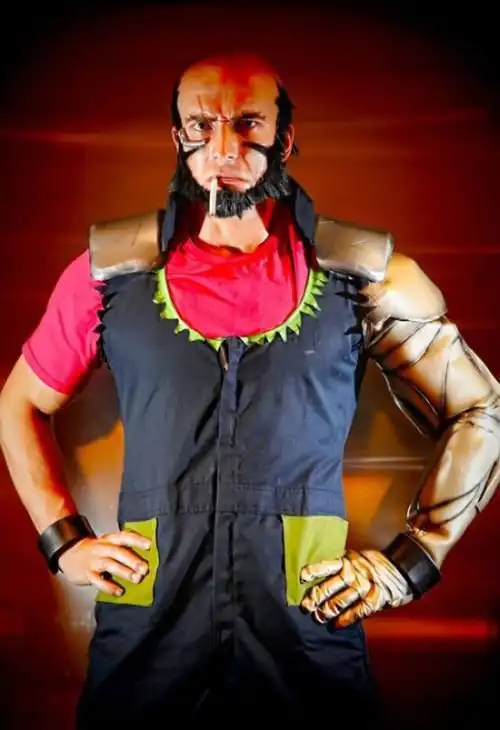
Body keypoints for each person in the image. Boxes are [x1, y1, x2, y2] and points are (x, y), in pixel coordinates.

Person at [0, 51, 498, 726]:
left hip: (307, 619)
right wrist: (64, 541)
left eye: (248, 123)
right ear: (177, 136)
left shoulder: (364, 277)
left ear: (285, 138)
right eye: (201, 125)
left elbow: (481, 408)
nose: (223, 149)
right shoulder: (109, 275)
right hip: (149, 621)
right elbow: (20, 403)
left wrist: (406, 564)